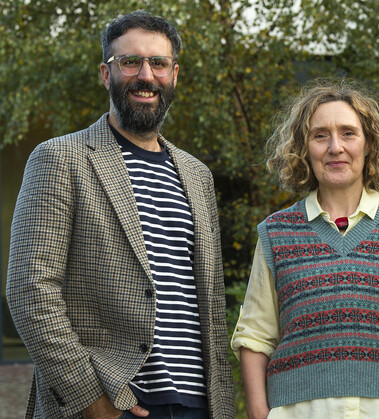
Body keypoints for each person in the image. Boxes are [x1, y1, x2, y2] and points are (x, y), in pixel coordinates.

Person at [6, 10, 235, 418]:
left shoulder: (198, 176)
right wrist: (90, 399)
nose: (146, 75)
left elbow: (211, 307)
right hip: (112, 401)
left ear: (174, 74)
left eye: (158, 63)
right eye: (130, 62)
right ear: (105, 74)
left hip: (197, 404)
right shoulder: (60, 158)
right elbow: (29, 289)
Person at [230, 78, 379, 419]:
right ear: (304, 149)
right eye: (321, 135)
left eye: (348, 133)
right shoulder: (276, 233)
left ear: (369, 144)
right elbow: (255, 336)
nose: (335, 147)